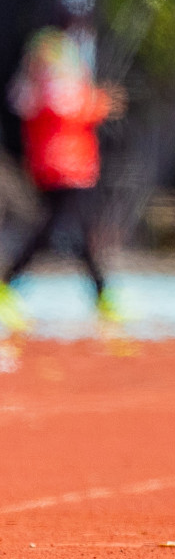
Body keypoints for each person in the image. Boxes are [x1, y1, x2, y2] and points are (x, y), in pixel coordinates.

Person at [0, 22, 125, 332]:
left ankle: (102, 294)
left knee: (78, 233)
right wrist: (99, 104)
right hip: (63, 168)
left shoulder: (45, 73)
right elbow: (65, 108)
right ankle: (7, 286)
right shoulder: (50, 72)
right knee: (52, 229)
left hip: (67, 165)